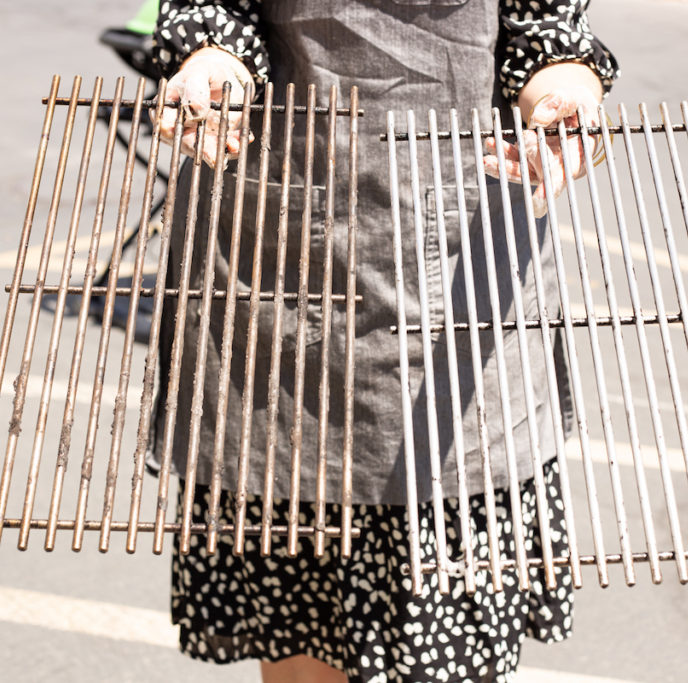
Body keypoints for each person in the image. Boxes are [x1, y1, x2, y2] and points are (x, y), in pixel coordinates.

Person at [151, 1, 618, 681]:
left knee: (446, 643)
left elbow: (543, 30)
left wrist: (565, 91)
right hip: (280, 264)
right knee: (299, 632)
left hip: (465, 255)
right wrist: (212, 61)